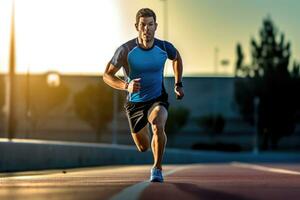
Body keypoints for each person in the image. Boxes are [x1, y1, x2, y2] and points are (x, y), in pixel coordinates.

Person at [103, 8, 184, 182]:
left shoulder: (163, 47)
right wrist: (126, 85)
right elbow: (106, 75)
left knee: (158, 124)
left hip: (157, 99)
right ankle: (147, 130)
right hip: (135, 103)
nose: (146, 29)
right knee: (143, 147)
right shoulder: (126, 50)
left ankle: (157, 168)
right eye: (142, 25)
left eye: (150, 24)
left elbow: (177, 58)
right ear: (136, 27)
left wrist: (178, 84)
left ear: (156, 26)